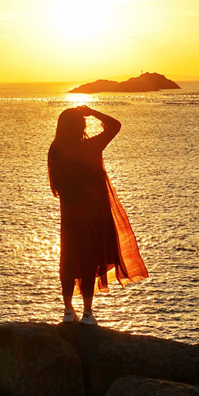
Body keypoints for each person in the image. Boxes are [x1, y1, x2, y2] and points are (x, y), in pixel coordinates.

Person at [47, 104, 148, 325]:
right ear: (81, 125)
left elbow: (56, 187)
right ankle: (88, 313)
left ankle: (67, 311)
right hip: (93, 213)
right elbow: (115, 126)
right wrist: (92, 112)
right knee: (89, 259)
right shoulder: (91, 147)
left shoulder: (56, 149)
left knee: (69, 256)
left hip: (70, 213)